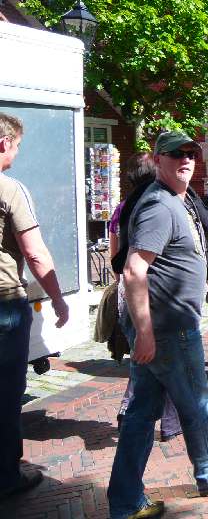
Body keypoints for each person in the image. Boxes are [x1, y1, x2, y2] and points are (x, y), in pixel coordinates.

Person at [108, 132, 208, 519]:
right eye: (176, 154)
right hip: (170, 329)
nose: (185, 159)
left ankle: (124, 501)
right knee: (197, 403)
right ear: (158, 160)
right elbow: (135, 271)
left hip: (168, 325)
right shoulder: (158, 204)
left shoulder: (175, 199)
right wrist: (146, 332)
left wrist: (204, 279)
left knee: (140, 415)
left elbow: (179, 253)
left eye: (191, 152)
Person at [0, 112, 69, 500]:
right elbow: (35, 253)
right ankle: (7, 476)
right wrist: (57, 298)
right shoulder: (10, 189)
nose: (17, 153)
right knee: (6, 393)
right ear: (3, 143)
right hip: (4, 304)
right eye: (17, 146)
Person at [108, 153, 181, 442]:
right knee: (165, 361)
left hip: (126, 290)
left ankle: (132, 412)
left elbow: (115, 256)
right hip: (151, 290)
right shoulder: (155, 205)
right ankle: (167, 422)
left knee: (144, 360)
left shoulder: (121, 209)